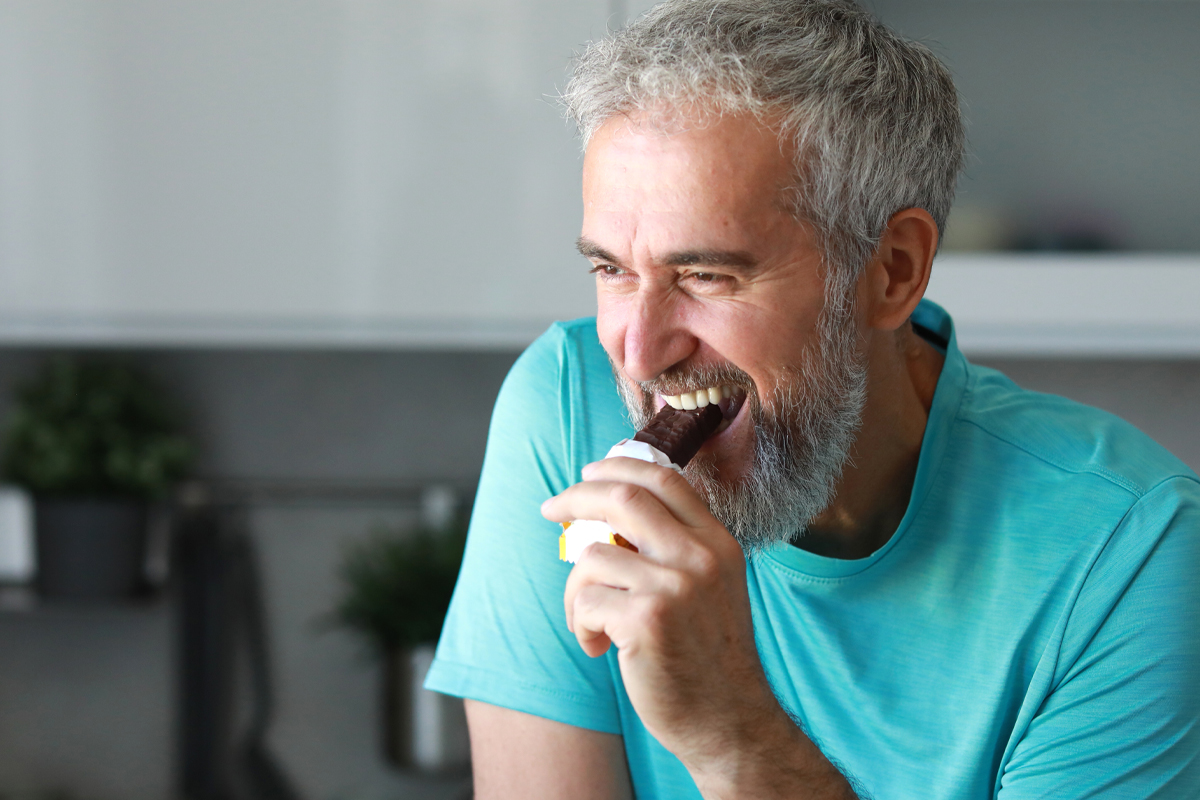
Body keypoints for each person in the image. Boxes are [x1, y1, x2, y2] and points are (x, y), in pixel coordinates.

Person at [425, 1, 1200, 797]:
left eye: (706, 276)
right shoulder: (564, 406)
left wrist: (729, 730)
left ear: (892, 270)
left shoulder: (1129, 554)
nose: (639, 349)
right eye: (612, 270)